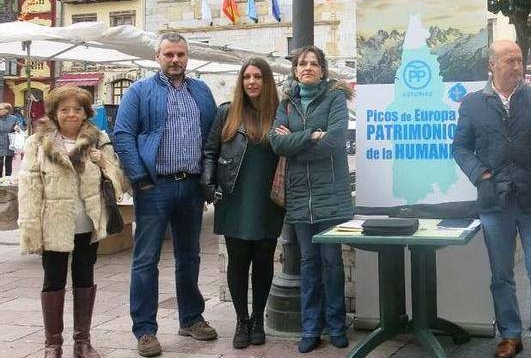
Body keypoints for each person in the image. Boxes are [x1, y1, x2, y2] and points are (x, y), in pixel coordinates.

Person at [452, 40, 531, 358]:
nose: (517, 66)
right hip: (494, 203)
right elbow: (460, 147)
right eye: (509, 60)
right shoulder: (473, 104)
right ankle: (510, 336)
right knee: (501, 275)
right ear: (492, 64)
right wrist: (480, 174)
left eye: (519, 60)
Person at [113, 32, 218, 357]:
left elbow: (213, 136)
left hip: (191, 185)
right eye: (169, 54)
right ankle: (145, 330)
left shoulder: (201, 91)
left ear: (188, 57)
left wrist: (209, 179)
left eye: (181, 55)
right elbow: (122, 134)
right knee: (146, 259)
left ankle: (191, 317)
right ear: (157, 57)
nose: (176, 60)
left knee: (190, 256)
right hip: (154, 186)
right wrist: (139, 176)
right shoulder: (140, 91)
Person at [18, 87, 130, 358]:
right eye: (64, 109)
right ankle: (53, 346)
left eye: (77, 109)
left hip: (87, 224)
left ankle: (82, 342)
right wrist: (31, 228)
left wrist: (103, 161)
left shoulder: (98, 138)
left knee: (84, 278)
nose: (71, 114)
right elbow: (29, 185)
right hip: (53, 224)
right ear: (55, 113)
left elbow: (119, 180)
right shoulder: (38, 142)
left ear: (85, 112)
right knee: (53, 280)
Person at [268, 45, 354, 353]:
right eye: (302, 63)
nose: (308, 67)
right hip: (300, 197)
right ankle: (310, 329)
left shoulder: (335, 98)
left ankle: (336, 325)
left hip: (330, 193)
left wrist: (298, 141)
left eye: (314, 63)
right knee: (308, 264)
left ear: (322, 70)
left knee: (331, 263)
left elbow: (334, 142)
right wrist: (310, 135)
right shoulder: (287, 103)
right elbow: (276, 142)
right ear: (295, 70)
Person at [201, 58, 284, 349]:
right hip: (234, 198)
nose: (252, 81)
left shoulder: (279, 114)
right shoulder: (226, 112)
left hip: (268, 201)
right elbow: (210, 151)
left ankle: (258, 319)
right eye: (247, 76)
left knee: (263, 261)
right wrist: (209, 187)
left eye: (258, 76)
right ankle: (241, 320)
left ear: (267, 81)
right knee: (237, 262)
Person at [0, 102, 21, 176]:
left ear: (7, 110)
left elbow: (19, 127)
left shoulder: (13, 118)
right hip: (0, 142)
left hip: (10, 143)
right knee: (0, 162)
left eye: (1, 109)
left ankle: (8, 179)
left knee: (9, 162)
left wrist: (17, 128)